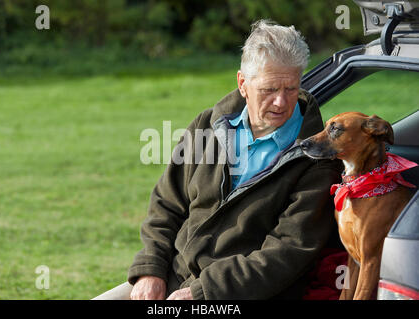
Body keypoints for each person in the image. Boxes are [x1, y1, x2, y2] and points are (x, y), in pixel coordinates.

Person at [93, 20, 342, 300]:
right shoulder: (205, 126)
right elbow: (166, 205)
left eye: (291, 89)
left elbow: (288, 251)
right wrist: (151, 269)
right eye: (269, 90)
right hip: (172, 275)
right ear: (243, 84)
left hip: (239, 294)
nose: (281, 102)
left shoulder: (317, 159)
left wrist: (203, 292)